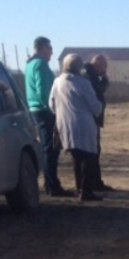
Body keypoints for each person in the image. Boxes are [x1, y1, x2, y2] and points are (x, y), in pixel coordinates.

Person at [49, 54, 104, 201]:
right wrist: (100, 106)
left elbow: (51, 104)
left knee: (76, 157)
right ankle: (86, 191)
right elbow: (95, 106)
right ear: (79, 67)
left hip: (65, 124)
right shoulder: (83, 83)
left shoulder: (57, 82)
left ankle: (79, 188)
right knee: (88, 157)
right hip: (84, 124)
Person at [25, 36, 73, 196]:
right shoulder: (41, 65)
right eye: (50, 48)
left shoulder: (30, 64)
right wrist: (54, 110)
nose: (52, 52)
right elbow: (44, 92)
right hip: (45, 111)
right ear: (42, 48)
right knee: (50, 149)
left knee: (49, 148)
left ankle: (50, 183)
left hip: (35, 110)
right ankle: (52, 185)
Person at [82, 54, 113, 192]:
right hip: (90, 118)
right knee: (92, 152)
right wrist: (105, 80)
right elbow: (96, 92)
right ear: (98, 64)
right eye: (104, 66)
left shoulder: (90, 75)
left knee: (96, 151)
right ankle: (93, 184)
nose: (105, 69)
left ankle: (96, 182)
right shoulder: (89, 76)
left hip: (94, 118)